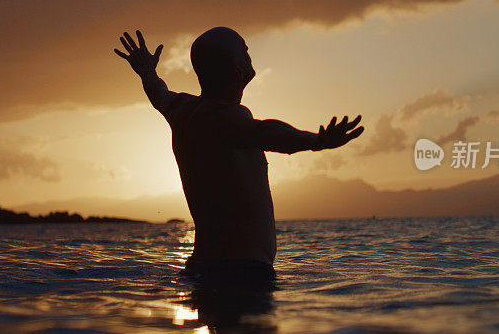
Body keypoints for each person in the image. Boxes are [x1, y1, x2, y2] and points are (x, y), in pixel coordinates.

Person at [115, 27, 363, 280]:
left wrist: (147, 71)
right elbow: (266, 132)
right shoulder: (228, 117)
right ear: (235, 67)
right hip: (241, 272)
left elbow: (158, 92)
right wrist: (316, 141)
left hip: (203, 267)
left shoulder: (181, 110)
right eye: (244, 49)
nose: (249, 52)